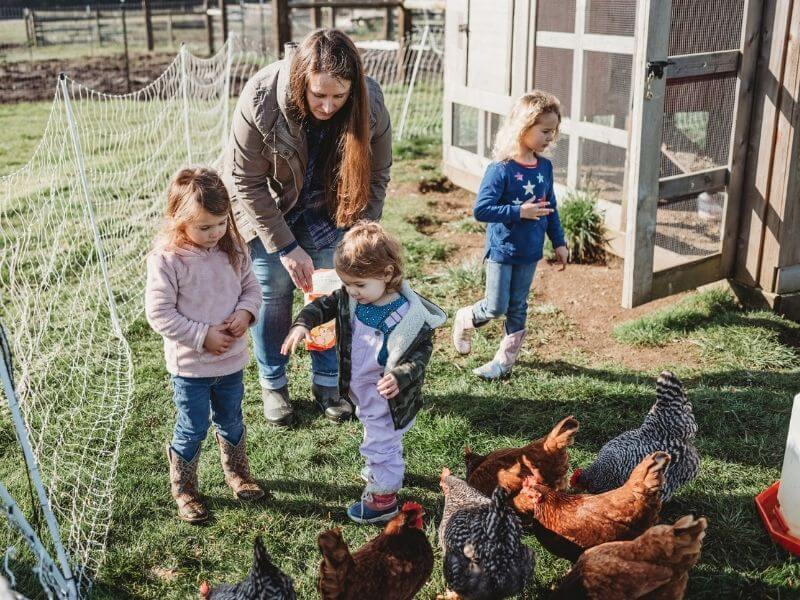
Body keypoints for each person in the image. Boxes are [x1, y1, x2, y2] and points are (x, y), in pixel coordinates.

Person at [222, 29, 392, 427]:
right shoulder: (262, 96)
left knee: (330, 292)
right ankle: (274, 383)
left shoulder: (370, 104)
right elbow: (244, 179)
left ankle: (327, 383)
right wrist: (284, 246)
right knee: (273, 291)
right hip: (267, 204)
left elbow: (379, 175)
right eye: (319, 95)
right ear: (302, 80)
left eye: (339, 95)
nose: (329, 105)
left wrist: (360, 234)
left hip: (331, 209)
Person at [281, 223, 446, 524]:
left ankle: (383, 500)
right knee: (376, 436)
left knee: (381, 442)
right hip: (363, 391)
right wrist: (302, 323)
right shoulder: (351, 297)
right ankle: (381, 471)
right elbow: (323, 306)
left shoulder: (408, 316)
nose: (353, 292)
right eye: (347, 284)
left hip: (387, 395)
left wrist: (399, 376)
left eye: (359, 284)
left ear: (386, 273)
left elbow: (420, 356)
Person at [145, 167, 264, 523]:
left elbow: (252, 290)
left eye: (220, 223)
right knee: (192, 425)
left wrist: (245, 313)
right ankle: (186, 490)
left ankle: (238, 475)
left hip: (230, 363)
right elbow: (159, 313)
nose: (214, 233)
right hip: (190, 368)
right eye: (204, 227)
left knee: (231, 418)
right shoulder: (167, 259)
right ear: (179, 220)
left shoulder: (235, 249)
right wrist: (202, 336)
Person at [452, 90, 569, 380]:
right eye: (544, 131)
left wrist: (559, 241)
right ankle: (466, 317)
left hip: (530, 252)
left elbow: (550, 207)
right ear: (523, 127)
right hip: (503, 250)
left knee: (518, 307)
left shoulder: (544, 167)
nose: (549, 138)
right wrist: (519, 212)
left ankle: (503, 363)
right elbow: (482, 210)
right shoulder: (500, 169)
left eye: (553, 131)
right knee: (495, 307)